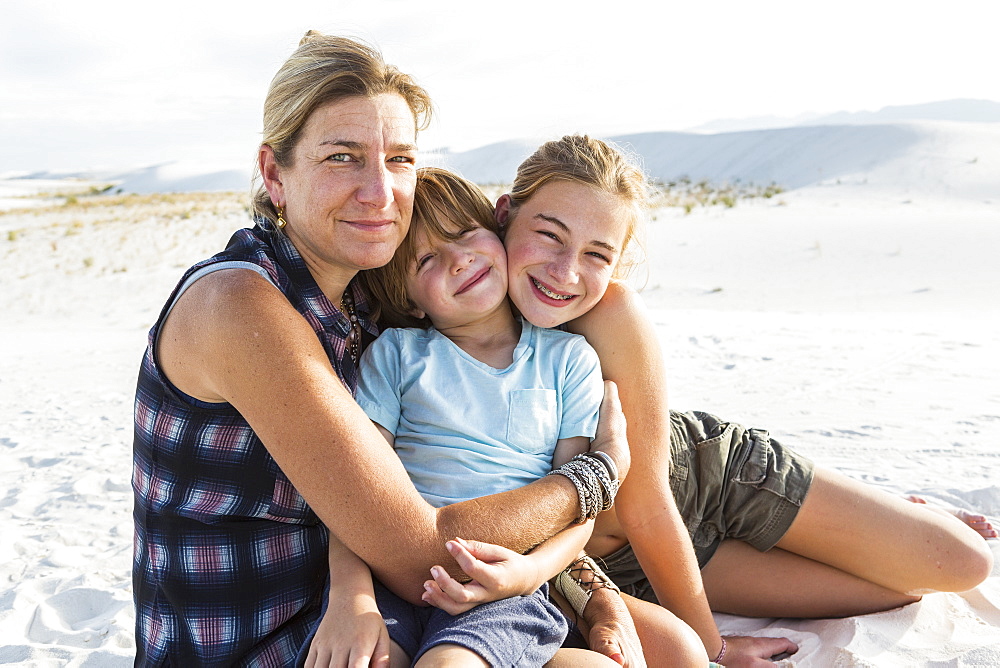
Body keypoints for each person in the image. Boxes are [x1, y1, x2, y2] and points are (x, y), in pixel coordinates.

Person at [131, 34, 640, 666]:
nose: (379, 191)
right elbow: (421, 553)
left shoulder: (366, 303)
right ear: (274, 175)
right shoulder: (237, 305)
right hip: (273, 643)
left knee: (656, 650)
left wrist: (594, 593)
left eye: (399, 159)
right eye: (343, 157)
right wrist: (595, 476)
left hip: (372, 613)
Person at [424, 133, 996, 665]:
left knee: (962, 563)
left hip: (708, 482)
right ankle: (882, 520)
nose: (565, 271)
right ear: (506, 215)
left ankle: (907, 513)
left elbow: (646, 499)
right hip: (629, 561)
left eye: (597, 254)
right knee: (893, 589)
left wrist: (713, 646)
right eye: (549, 235)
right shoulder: (441, 310)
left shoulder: (608, 314)